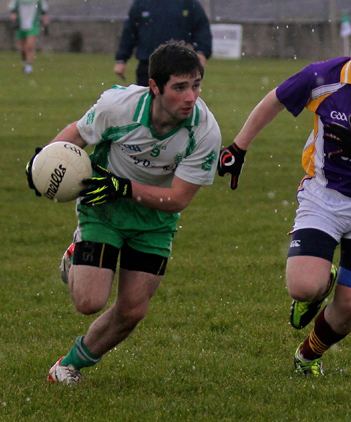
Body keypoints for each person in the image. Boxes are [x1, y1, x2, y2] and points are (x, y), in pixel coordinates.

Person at [217, 12, 351, 377]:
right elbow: (275, 99)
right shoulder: (325, 77)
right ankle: (320, 281)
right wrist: (239, 146)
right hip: (324, 195)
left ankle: (308, 354)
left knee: (347, 312)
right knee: (303, 287)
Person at [25, 41, 221, 384]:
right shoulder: (119, 107)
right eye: (180, 87)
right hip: (104, 208)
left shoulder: (204, 131)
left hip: (155, 222)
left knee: (132, 310)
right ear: (155, 87)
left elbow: (177, 199)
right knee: (89, 301)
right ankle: (77, 252)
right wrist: (44, 163)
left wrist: (124, 186)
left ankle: (68, 366)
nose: (191, 97)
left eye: (196, 85)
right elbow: (78, 133)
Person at [114, 0, 212, 86]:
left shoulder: (188, 3)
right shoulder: (141, 3)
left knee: (177, 102)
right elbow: (130, 32)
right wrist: (121, 59)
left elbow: (201, 28)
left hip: (180, 63)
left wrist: (201, 51)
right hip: (148, 65)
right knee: (148, 102)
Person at [8, 0, 50, 74]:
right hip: (21, 25)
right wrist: (14, 20)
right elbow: (13, 10)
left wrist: (46, 24)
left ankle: (29, 66)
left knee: (29, 46)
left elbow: (44, 12)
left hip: (33, 25)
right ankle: (25, 62)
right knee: (22, 49)